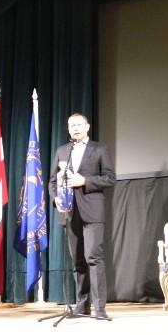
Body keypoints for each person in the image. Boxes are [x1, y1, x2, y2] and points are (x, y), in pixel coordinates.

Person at [49, 113, 116, 320]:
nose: (75, 128)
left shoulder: (99, 149)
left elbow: (110, 178)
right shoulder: (62, 151)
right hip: (69, 212)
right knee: (78, 260)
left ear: (87, 127)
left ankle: (100, 308)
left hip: (92, 211)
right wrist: (55, 198)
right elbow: (53, 182)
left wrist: (84, 181)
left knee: (93, 257)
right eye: (72, 125)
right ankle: (82, 305)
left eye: (79, 124)